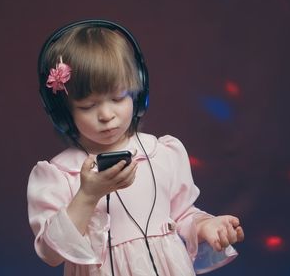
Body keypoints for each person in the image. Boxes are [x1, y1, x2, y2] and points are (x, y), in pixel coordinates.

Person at [27, 20, 244, 276]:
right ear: (63, 113)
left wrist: (206, 225)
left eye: (118, 98)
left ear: (137, 94)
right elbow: (51, 253)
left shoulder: (163, 153)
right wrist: (88, 195)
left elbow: (182, 213)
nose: (106, 115)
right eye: (88, 106)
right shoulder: (60, 175)